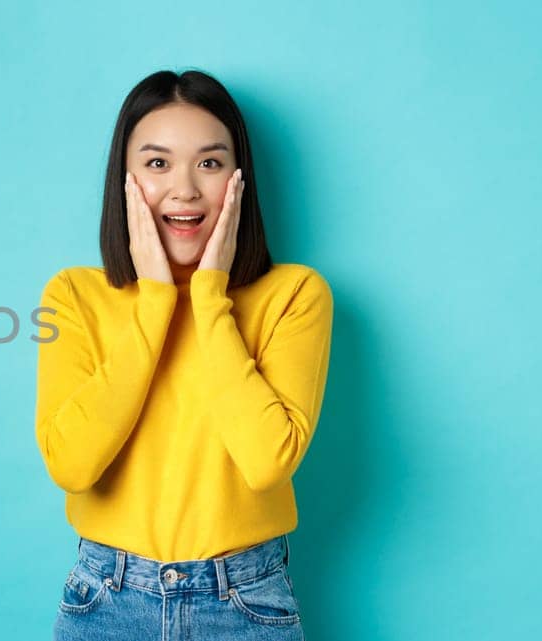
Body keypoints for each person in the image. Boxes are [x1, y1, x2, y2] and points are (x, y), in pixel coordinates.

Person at [35, 69, 334, 640]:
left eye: (210, 162)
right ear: (124, 181)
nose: (185, 190)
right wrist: (155, 302)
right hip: (107, 599)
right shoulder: (73, 296)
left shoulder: (294, 295)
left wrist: (208, 295)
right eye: (156, 163)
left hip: (247, 602)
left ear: (238, 179)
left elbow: (267, 461)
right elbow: (72, 465)